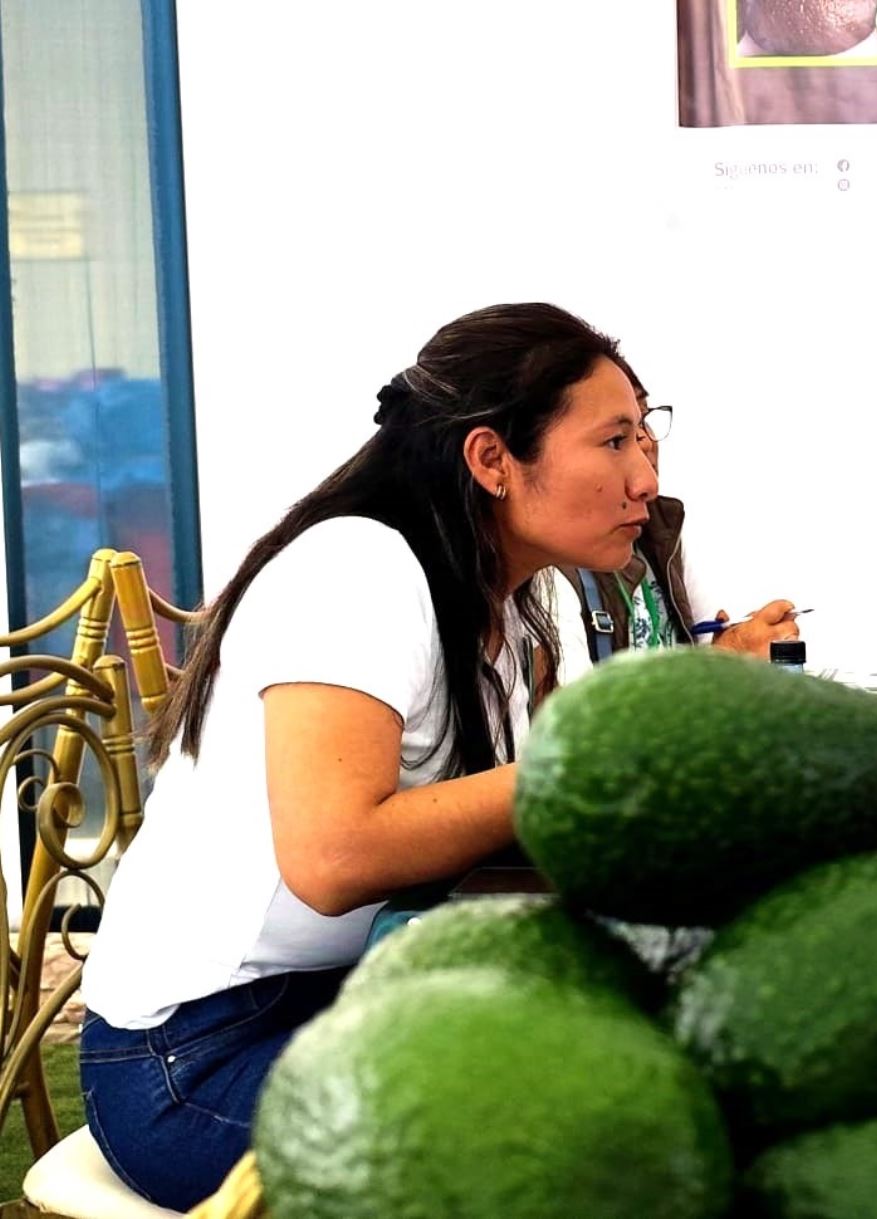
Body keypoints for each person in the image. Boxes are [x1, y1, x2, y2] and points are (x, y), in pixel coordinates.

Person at [77, 303, 658, 1208]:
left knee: (652, 1067)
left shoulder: (530, 599)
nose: (646, 481)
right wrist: (586, 763)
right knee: (575, 1144)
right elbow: (335, 857)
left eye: (648, 437)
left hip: (366, 989)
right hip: (193, 1056)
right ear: (491, 459)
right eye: (615, 441)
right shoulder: (358, 569)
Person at [552, 359, 799, 674]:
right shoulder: (544, 568)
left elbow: (707, 640)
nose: (646, 442)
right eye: (617, 436)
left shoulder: (661, 528)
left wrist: (736, 643)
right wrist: (722, 663)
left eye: (645, 419)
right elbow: (581, 718)